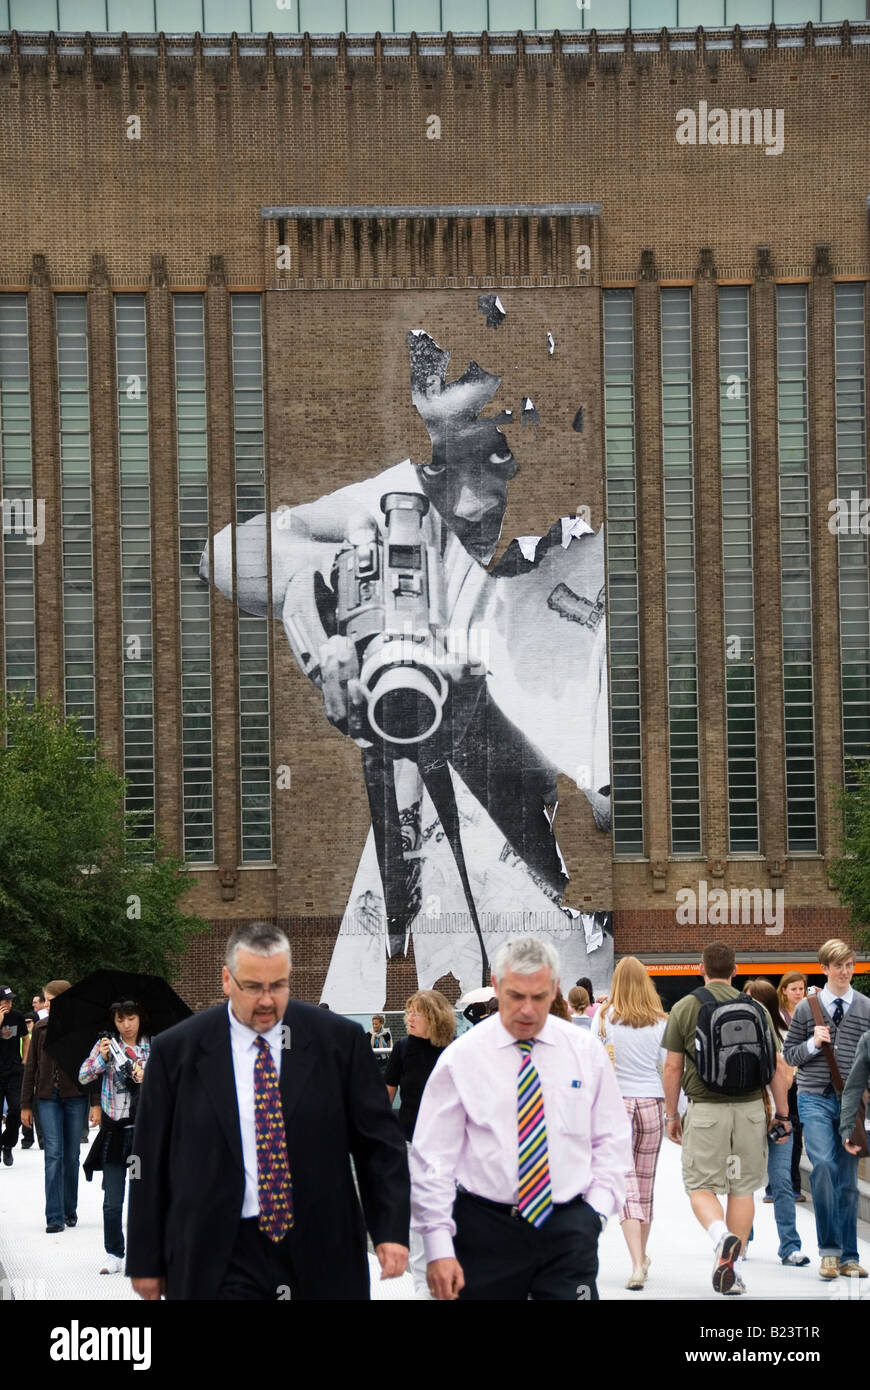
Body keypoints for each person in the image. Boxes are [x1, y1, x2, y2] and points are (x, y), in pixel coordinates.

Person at [126, 922, 410, 1300]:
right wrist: (145, 1258)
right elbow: (148, 1157)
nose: (266, 1000)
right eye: (253, 987)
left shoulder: (338, 1044)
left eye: (278, 986)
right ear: (227, 980)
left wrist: (390, 1230)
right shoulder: (177, 1052)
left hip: (322, 1249)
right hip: (219, 1254)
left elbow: (380, 1145)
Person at [409, 936, 632, 1300]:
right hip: (484, 1233)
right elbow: (432, 1157)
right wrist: (438, 1246)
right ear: (496, 987)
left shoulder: (585, 1053)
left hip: (567, 1230)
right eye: (516, 996)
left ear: (556, 989)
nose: (527, 1009)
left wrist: (595, 1214)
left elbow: (611, 1137)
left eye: (539, 997)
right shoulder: (462, 1059)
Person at [662, 942, 792, 1297]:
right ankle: (730, 1271)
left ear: (700, 968)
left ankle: (721, 1238)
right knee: (741, 1187)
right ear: (735, 971)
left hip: (705, 1112)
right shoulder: (756, 1008)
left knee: (700, 1186)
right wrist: (782, 1114)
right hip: (750, 1112)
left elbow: (673, 1066)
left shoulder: (686, 1007)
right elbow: (777, 1068)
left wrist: (672, 1114)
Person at [783, 938, 870, 1281]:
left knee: (848, 1179)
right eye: (838, 966)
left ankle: (850, 1255)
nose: (845, 972)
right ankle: (830, 1252)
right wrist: (811, 1043)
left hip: (853, 1103)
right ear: (824, 969)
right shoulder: (807, 1008)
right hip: (814, 1097)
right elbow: (790, 1056)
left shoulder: (865, 1007)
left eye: (849, 965)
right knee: (822, 1167)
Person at [596, 956, 667, 1290]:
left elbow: (595, 1063)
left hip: (618, 1104)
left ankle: (637, 1262)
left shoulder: (604, 1018)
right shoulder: (660, 1021)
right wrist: (675, 1114)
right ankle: (643, 1255)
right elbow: (667, 1068)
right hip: (652, 1101)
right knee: (646, 1185)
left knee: (626, 1187)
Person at [384, 990, 456, 1298]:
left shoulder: (453, 1052)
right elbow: (385, 1096)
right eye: (407, 1011)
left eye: (416, 1013)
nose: (409, 1018)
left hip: (448, 1147)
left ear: (435, 1017)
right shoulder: (402, 1048)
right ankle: (421, 1289)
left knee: (448, 1214)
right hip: (411, 1143)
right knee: (415, 1219)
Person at [78, 1001, 151, 1274]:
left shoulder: (152, 1046)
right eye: (121, 1020)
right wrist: (102, 1058)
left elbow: (173, 1080)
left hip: (144, 1132)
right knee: (112, 1200)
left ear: (140, 1018)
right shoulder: (107, 1046)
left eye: (131, 1018)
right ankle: (113, 1253)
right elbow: (83, 1076)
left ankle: (144, 1251)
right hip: (114, 1131)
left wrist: (147, 1074)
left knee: (144, 1198)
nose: (127, 1025)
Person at [20, 981, 97, 1233]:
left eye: (51, 1000)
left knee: (71, 1155)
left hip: (75, 1096)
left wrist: (95, 1103)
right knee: (53, 1155)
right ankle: (54, 1216)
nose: (46, 1004)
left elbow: (93, 1068)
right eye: (45, 1000)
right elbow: (30, 1067)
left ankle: (69, 1210)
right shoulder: (41, 1028)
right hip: (47, 1098)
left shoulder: (82, 1029)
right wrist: (25, 1105)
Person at [742, 979, 809, 1267]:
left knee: (781, 1182)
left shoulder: (784, 1034)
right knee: (742, 1184)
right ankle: (742, 1241)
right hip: (746, 1116)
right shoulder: (740, 1032)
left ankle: (790, 1246)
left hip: (780, 1118)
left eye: (750, 999)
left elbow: (791, 1078)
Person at [768, 970, 807, 1204]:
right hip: (783, 1079)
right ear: (783, 990)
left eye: (801, 989)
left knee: (797, 1131)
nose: (798, 993)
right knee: (780, 1129)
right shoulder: (776, 1018)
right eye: (793, 989)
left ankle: (794, 1185)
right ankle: (774, 1185)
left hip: (802, 1080)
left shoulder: (809, 1013)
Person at [0, 986, 26, 1166]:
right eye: (5, 1000)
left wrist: (25, 1059)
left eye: (10, 1000)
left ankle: (7, 1144)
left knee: (16, 1109)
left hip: (14, 1070)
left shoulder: (17, 1016)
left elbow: (26, 1038)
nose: (9, 1003)